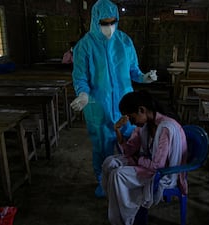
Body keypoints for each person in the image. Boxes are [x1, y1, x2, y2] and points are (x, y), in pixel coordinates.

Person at [69, 0, 157, 198]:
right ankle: (104, 183)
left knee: (131, 144)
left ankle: (128, 180)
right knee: (103, 147)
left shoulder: (124, 42)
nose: (109, 27)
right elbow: (80, 76)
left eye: (112, 22)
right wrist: (82, 94)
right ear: (94, 21)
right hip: (99, 108)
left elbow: (133, 70)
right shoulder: (85, 46)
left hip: (127, 106)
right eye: (104, 23)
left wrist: (144, 77)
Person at [101, 91, 187, 225]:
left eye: (132, 117)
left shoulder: (166, 128)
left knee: (118, 175)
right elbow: (128, 151)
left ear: (142, 110)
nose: (131, 122)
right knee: (109, 163)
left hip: (163, 173)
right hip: (148, 164)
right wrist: (117, 130)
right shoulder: (144, 126)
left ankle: (126, 219)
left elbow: (158, 165)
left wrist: (139, 159)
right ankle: (119, 211)